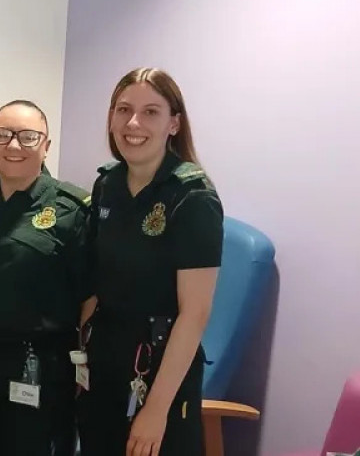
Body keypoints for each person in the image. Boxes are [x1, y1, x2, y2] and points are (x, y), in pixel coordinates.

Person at [77, 68, 223, 456]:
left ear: (174, 123)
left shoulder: (192, 198)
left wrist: (156, 410)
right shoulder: (106, 185)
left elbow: (195, 314)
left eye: (151, 112)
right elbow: (94, 283)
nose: (133, 123)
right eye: (123, 109)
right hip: (104, 358)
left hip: (161, 367)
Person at [0, 100, 90, 456]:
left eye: (27, 136)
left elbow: (90, 297)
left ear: (46, 146)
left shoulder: (72, 209)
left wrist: (84, 365)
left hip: (38, 370)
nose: (13, 145)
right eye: (3, 135)